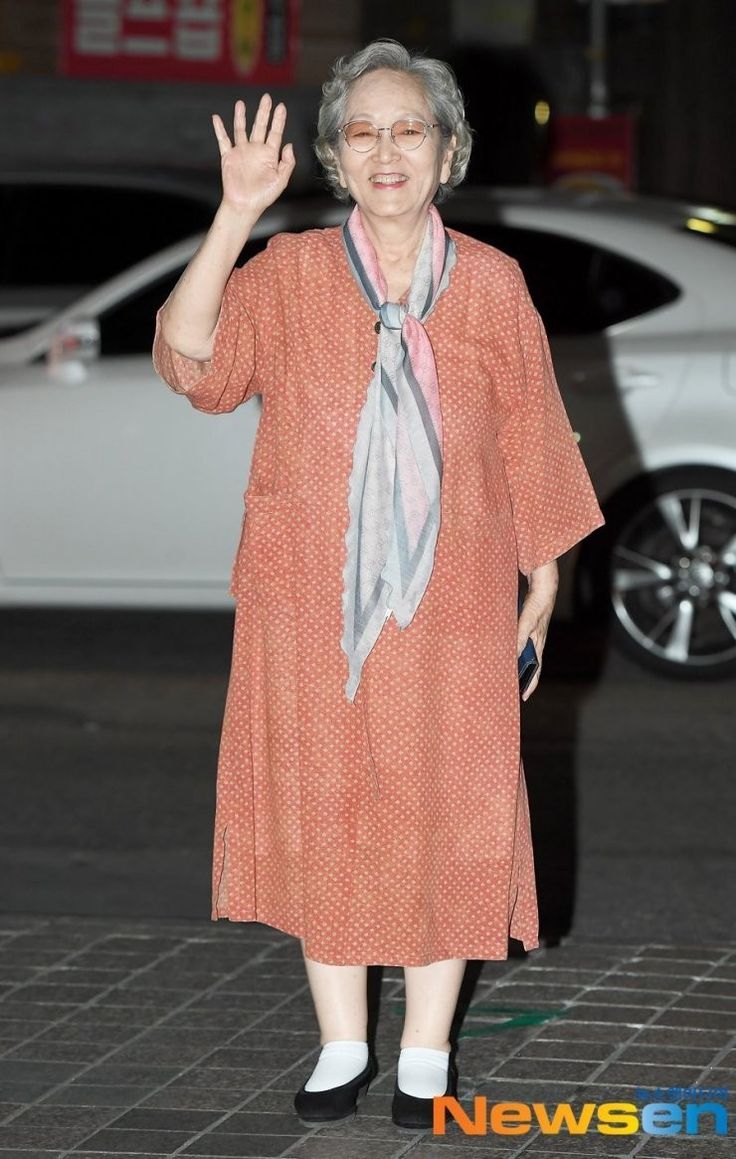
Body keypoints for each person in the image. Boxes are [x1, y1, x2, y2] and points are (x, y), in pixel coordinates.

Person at [152, 38, 605, 1131]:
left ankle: (425, 1052)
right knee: (331, 805)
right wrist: (233, 216)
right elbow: (191, 364)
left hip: (452, 603)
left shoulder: (492, 286)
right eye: (362, 131)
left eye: (409, 129)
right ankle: (341, 1040)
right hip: (311, 598)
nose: (386, 150)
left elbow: (534, 440)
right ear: (334, 157)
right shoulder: (295, 274)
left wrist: (542, 579)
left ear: (446, 152)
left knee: (455, 807)